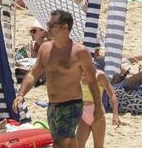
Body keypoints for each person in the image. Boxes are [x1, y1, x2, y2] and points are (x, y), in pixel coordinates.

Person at [16, 10, 100, 148]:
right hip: (53, 105)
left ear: (65, 27)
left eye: (52, 25)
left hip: (71, 106)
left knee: (59, 144)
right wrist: (21, 94)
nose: (47, 28)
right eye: (48, 24)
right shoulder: (45, 49)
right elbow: (33, 73)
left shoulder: (80, 52)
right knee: (70, 142)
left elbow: (92, 80)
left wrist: (98, 107)